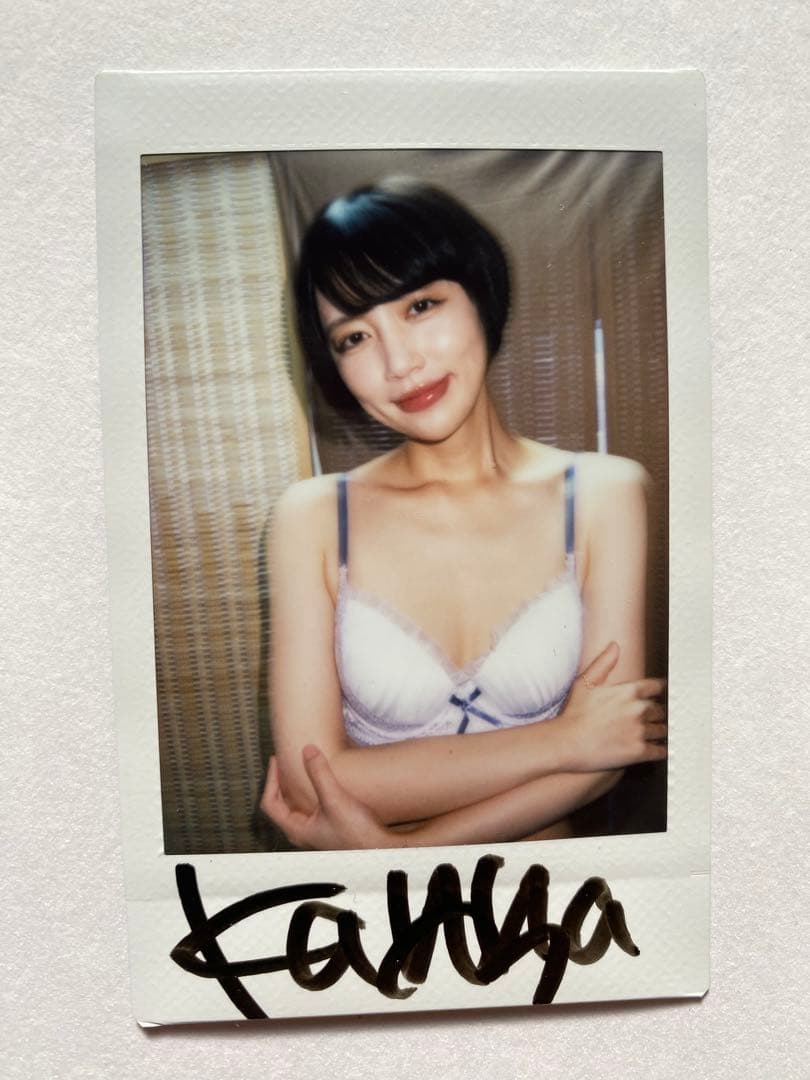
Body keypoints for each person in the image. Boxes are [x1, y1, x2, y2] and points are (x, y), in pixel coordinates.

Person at [259, 177, 666, 850]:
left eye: (420, 306)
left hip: (549, 893)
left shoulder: (605, 493)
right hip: (383, 907)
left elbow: (615, 747)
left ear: (480, 295)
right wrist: (564, 739)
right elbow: (309, 781)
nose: (400, 362)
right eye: (354, 337)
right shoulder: (312, 519)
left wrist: (403, 854)